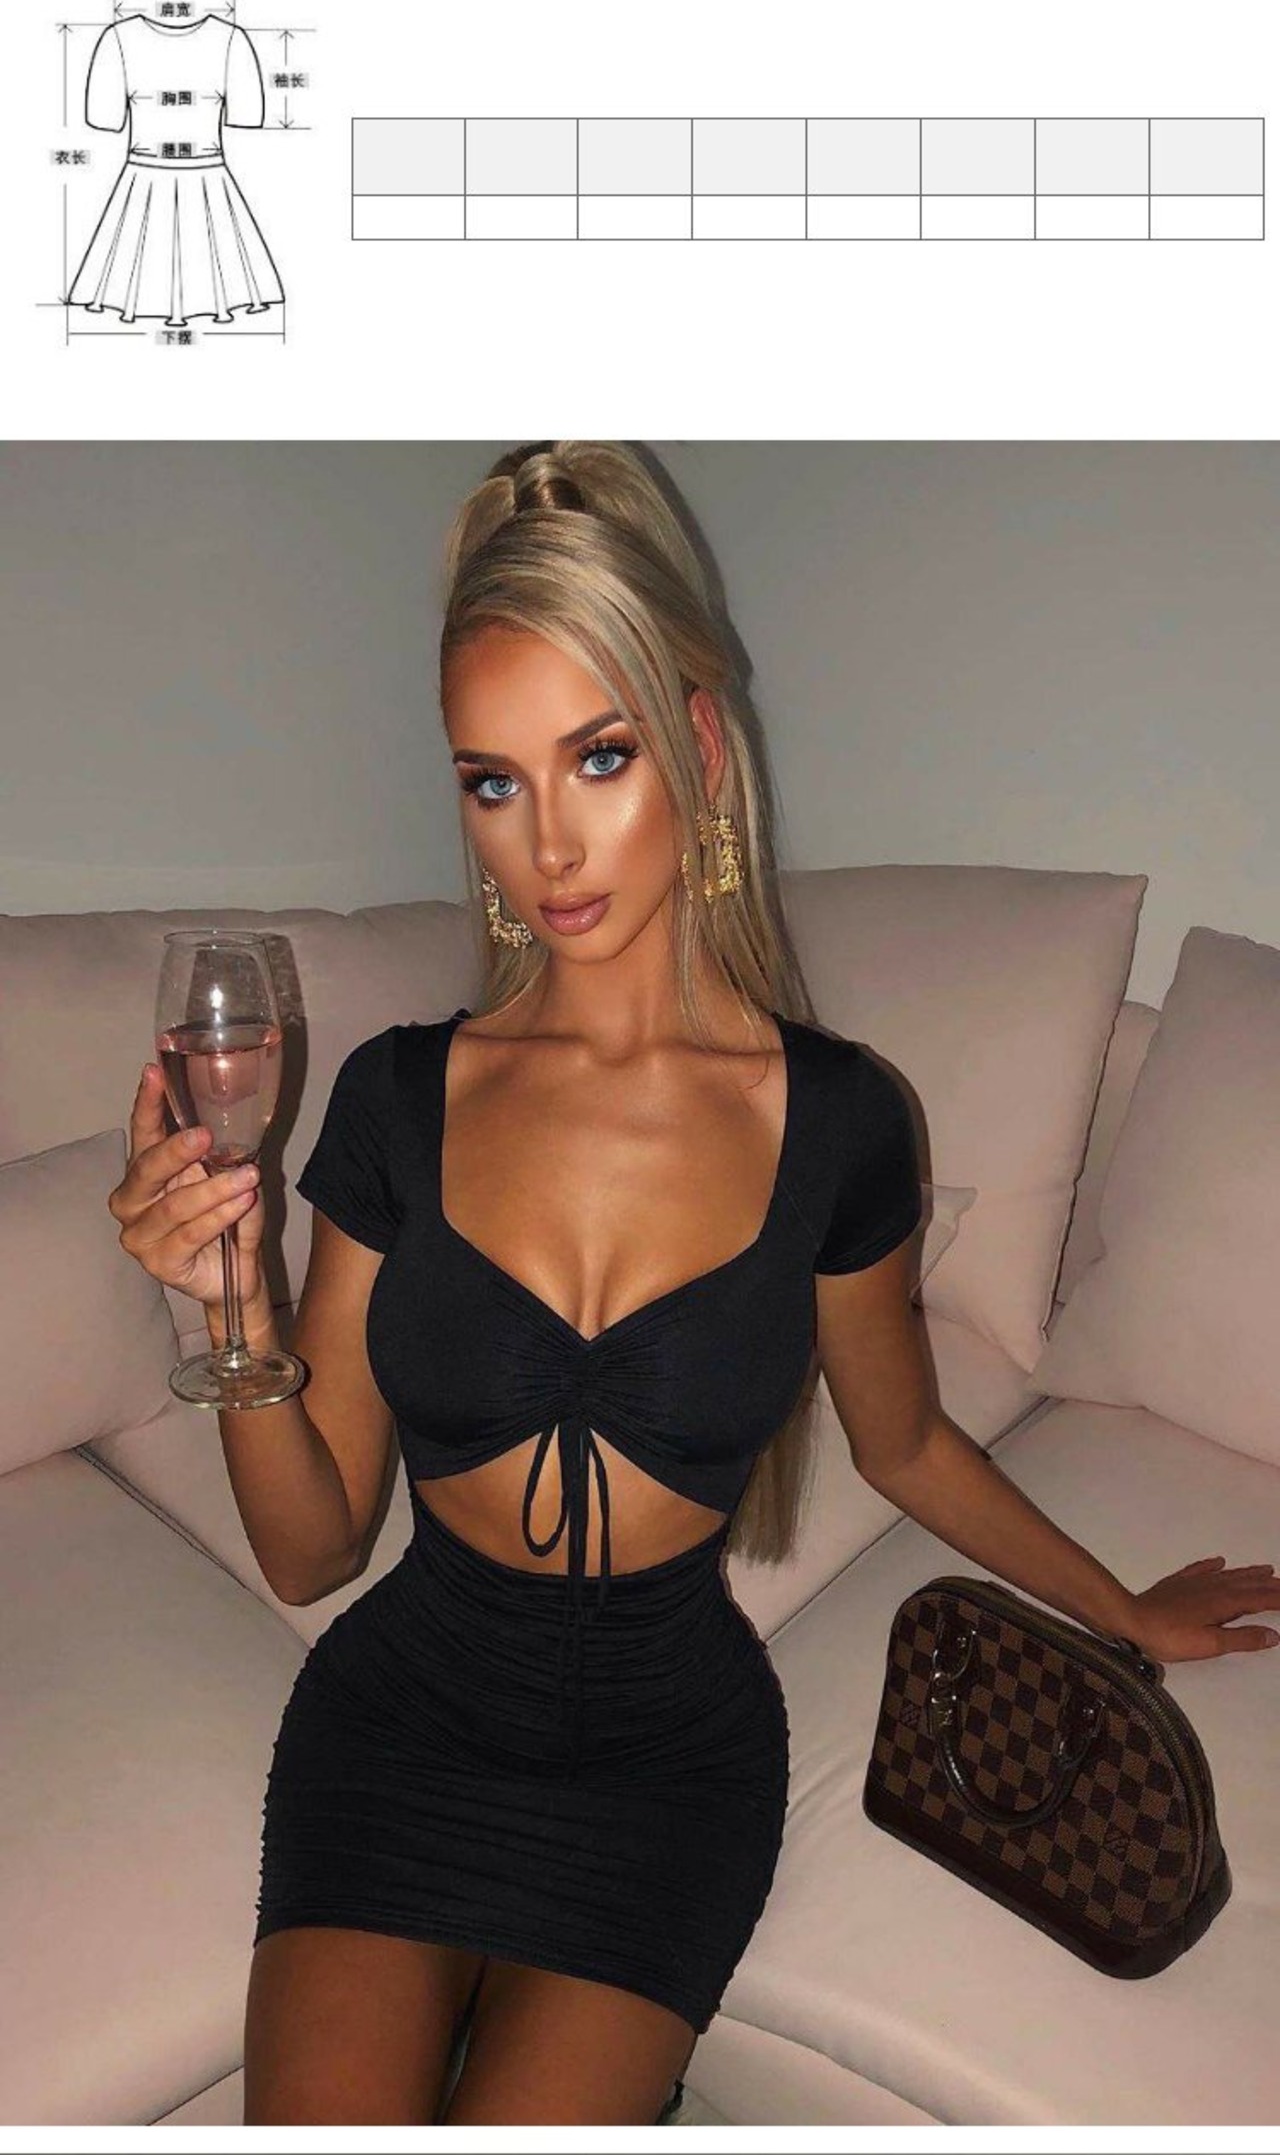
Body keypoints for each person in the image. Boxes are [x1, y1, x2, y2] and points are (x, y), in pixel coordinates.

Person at [109, 440, 1280, 2125]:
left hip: (665, 1775)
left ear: (701, 744)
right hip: (403, 1727)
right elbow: (309, 1552)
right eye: (493, 782)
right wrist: (230, 1301)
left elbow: (907, 1444)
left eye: (599, 757)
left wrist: (1126, 1613)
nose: (547, 844)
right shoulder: (394, 1101)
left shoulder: (843, 1123)